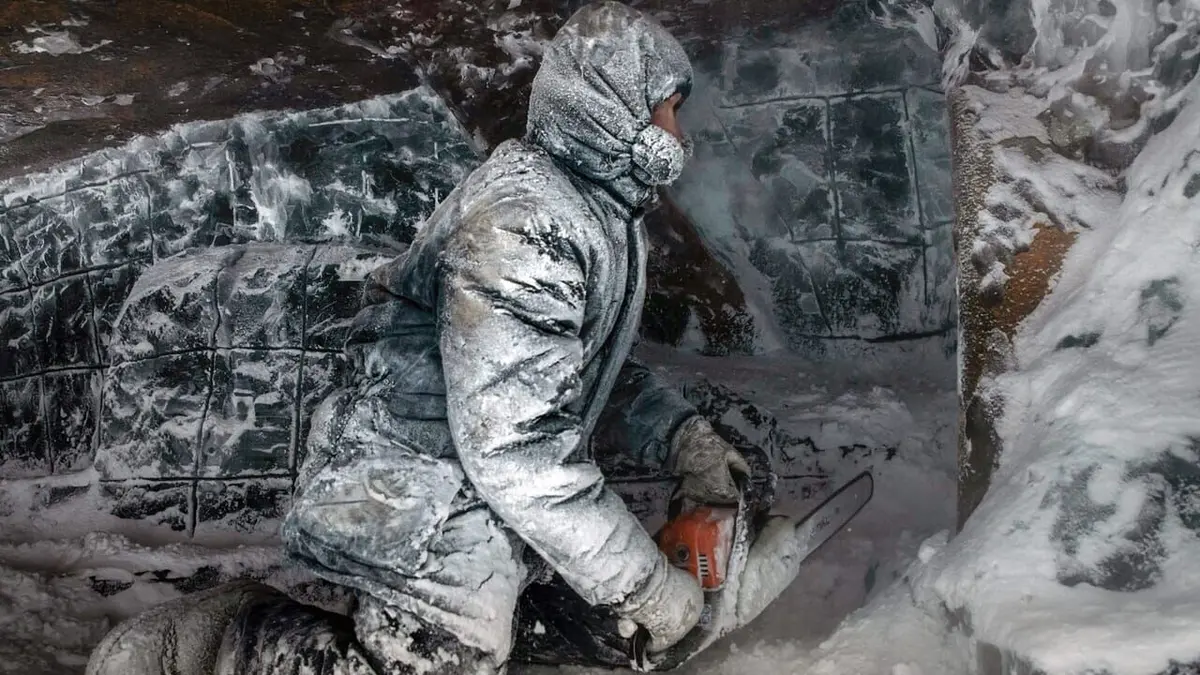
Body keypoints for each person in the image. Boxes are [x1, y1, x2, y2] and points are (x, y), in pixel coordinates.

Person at [85, 3, 750, 673]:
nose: (679, 135)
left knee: (579, 625)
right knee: (451, 654)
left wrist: (679, 437)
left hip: (472, 486)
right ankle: (228, 637)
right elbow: (514, 446)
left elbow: (571, 364)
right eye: (667, 108)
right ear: (609, 106)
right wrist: (646, 582)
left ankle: (520, 613)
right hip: (413, 487)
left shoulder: (594, 213)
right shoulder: (526, 224)